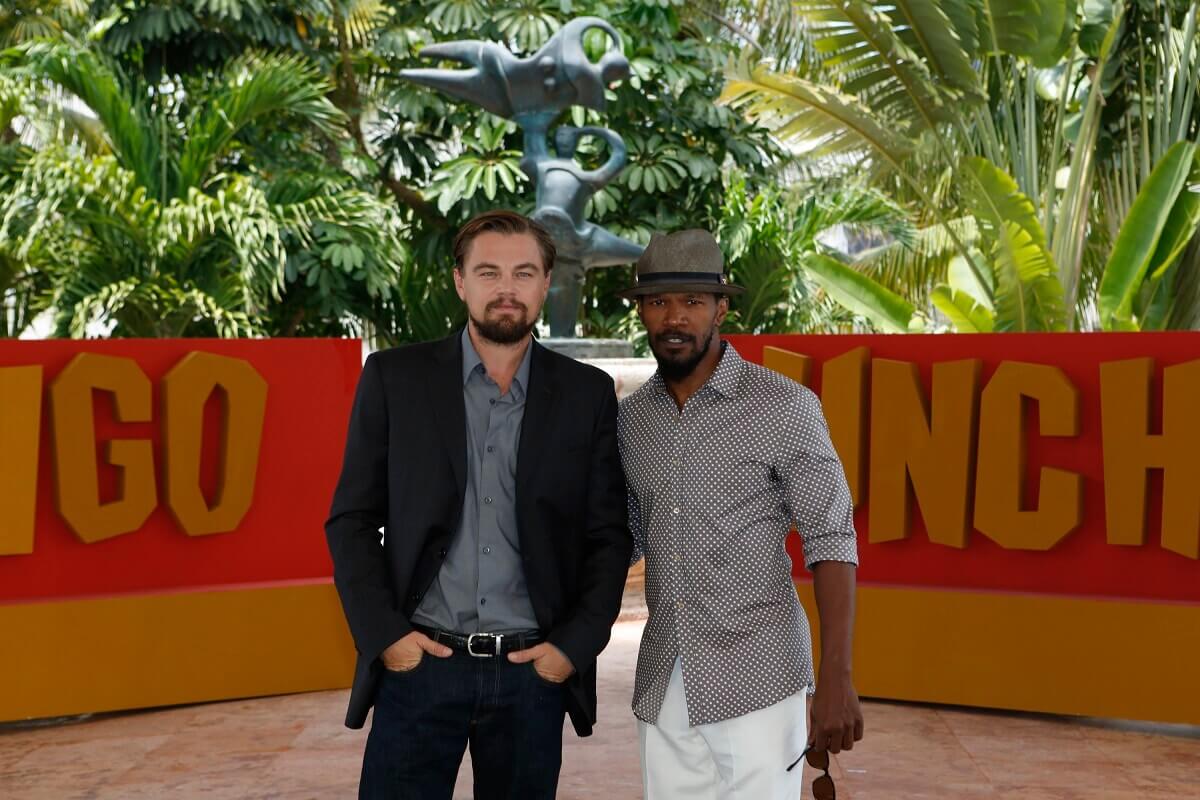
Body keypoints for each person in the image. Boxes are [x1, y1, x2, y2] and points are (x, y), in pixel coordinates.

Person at [325, 209, 631, 799]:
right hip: (419, 665)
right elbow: (353, 520)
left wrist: (570, 650)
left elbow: (608, 536)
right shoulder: (395, 379)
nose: (507, 289)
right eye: (488, 272)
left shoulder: (586, 393)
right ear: (461, 281)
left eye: (524, 273)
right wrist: (386, 636)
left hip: (531, 676)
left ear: (547, 283)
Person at [616, 229, 864, 799]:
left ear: (721, 308)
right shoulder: (631, 421)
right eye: (657, 303)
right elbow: (620, 541)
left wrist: (837, 674)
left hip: (759, 676)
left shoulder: (784, 405)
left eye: (691, 302)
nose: (673, 318)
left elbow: (831, 538)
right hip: (664, 680)